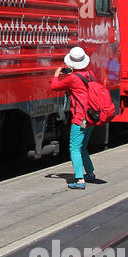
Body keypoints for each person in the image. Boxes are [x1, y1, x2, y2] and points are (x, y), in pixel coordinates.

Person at [52, 46, 101, 190]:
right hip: (92, 116)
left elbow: (55, 86)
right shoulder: (90, 74)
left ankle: (80, 179)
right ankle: (90, 173)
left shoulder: (72, 78)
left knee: (74, 148)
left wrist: (56, 74)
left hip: (80, 118)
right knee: (83, 147)